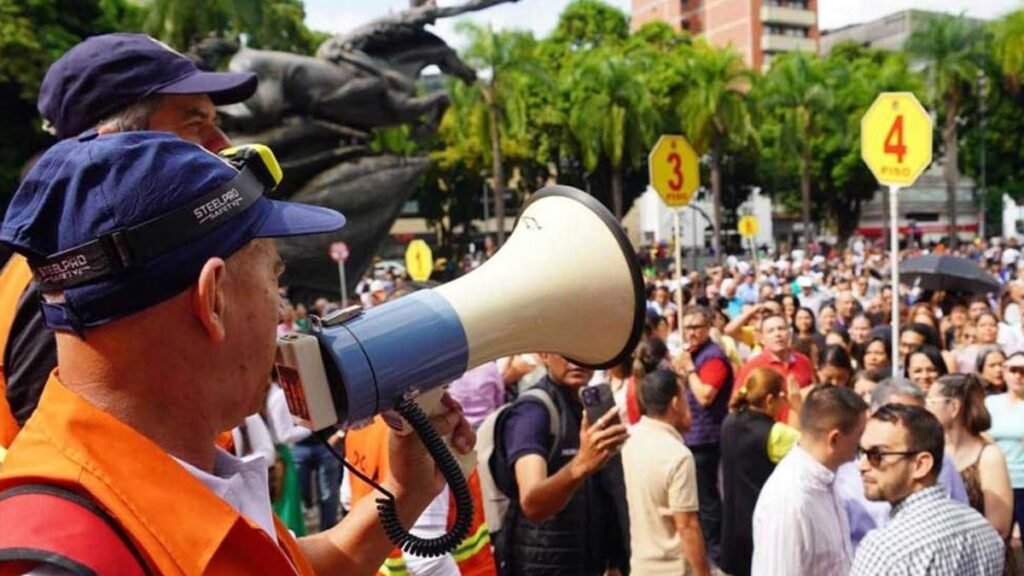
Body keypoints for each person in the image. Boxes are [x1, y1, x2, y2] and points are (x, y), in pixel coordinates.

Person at [0, 133, 475, 574]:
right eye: (275, 279)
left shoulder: (152, 476)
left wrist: (405, 494)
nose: (282, 311)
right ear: (214, 300)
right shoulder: (68, 562)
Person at [0, 33, 258, 450]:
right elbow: (68, 444)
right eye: (195, 123)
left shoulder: (122, 253)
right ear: (113, 144)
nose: (223, 144)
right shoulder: (83, 271)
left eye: (218, 122)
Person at [492, 353, 630, 575]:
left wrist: (616, 561)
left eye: (583, 351)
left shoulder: (590, 407)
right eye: (566, 353)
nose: (576, 361)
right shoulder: (532, 412)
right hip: (541, 565)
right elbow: (532, 504)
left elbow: (608, 493)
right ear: (545, 356)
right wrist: (580, 465)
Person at [851, 404, 1005, 575]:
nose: (862, 465)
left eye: (877, 455)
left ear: (920, 465)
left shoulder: (884, 550)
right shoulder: (982, 528)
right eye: (861, 451)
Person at [836, 379, 969, 551]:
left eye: (919, 417)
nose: (912, 426)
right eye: (898, 416)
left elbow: (960, 511)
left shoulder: (942, 461)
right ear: (872, 415)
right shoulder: (845, 469)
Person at [751, 385, 868, 575]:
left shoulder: (825, 479)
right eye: (859, 435)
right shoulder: (790, 500)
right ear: (835, 439)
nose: (864, 443)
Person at [622, 370, 709, 576]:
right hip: (673, 569)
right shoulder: (678, 455)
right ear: (676, 403)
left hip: (639, 567)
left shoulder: (628, 442)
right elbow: (687, 526)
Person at [925, 374, 1016, 573]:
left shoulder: (989, 455)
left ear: (954, 407)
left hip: (980, 563)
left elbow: (999, 527)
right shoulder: (931, 452)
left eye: (931, 401)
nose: (926, 407)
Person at [720, 368, 799, 576]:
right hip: (762, 529)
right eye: (782, 397)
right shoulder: (776, 433)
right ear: (770, 400)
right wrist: (797, 407)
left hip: (732, 533)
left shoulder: (729, 422)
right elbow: (810, 452)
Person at [670, 306, 733, 565]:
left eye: (697, 327)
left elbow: (705, 396)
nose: (692, 332)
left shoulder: (713, 358)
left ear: (707, 328)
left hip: (707, 439)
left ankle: (716, 557)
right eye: (688, 327)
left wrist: (690, 370)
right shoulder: (691, 354)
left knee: (708, 503)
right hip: (690, 436)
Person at [735, 313, 814, 424]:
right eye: (770, 331)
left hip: (801, 427)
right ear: (762, 339)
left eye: (781, 329)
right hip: (768, 430)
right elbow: (737, 404)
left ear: (789, 333)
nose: (777, 334)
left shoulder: (803, 361)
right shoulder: (752, 366)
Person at [985, 351, 1024, 550]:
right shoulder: (991, 403)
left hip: (1022, 481)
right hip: (996, 481)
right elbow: (981, 434)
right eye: (1013, 370)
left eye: (1023, 371)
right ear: (1005, 372)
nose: (1018, 376)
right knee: (996, 540)